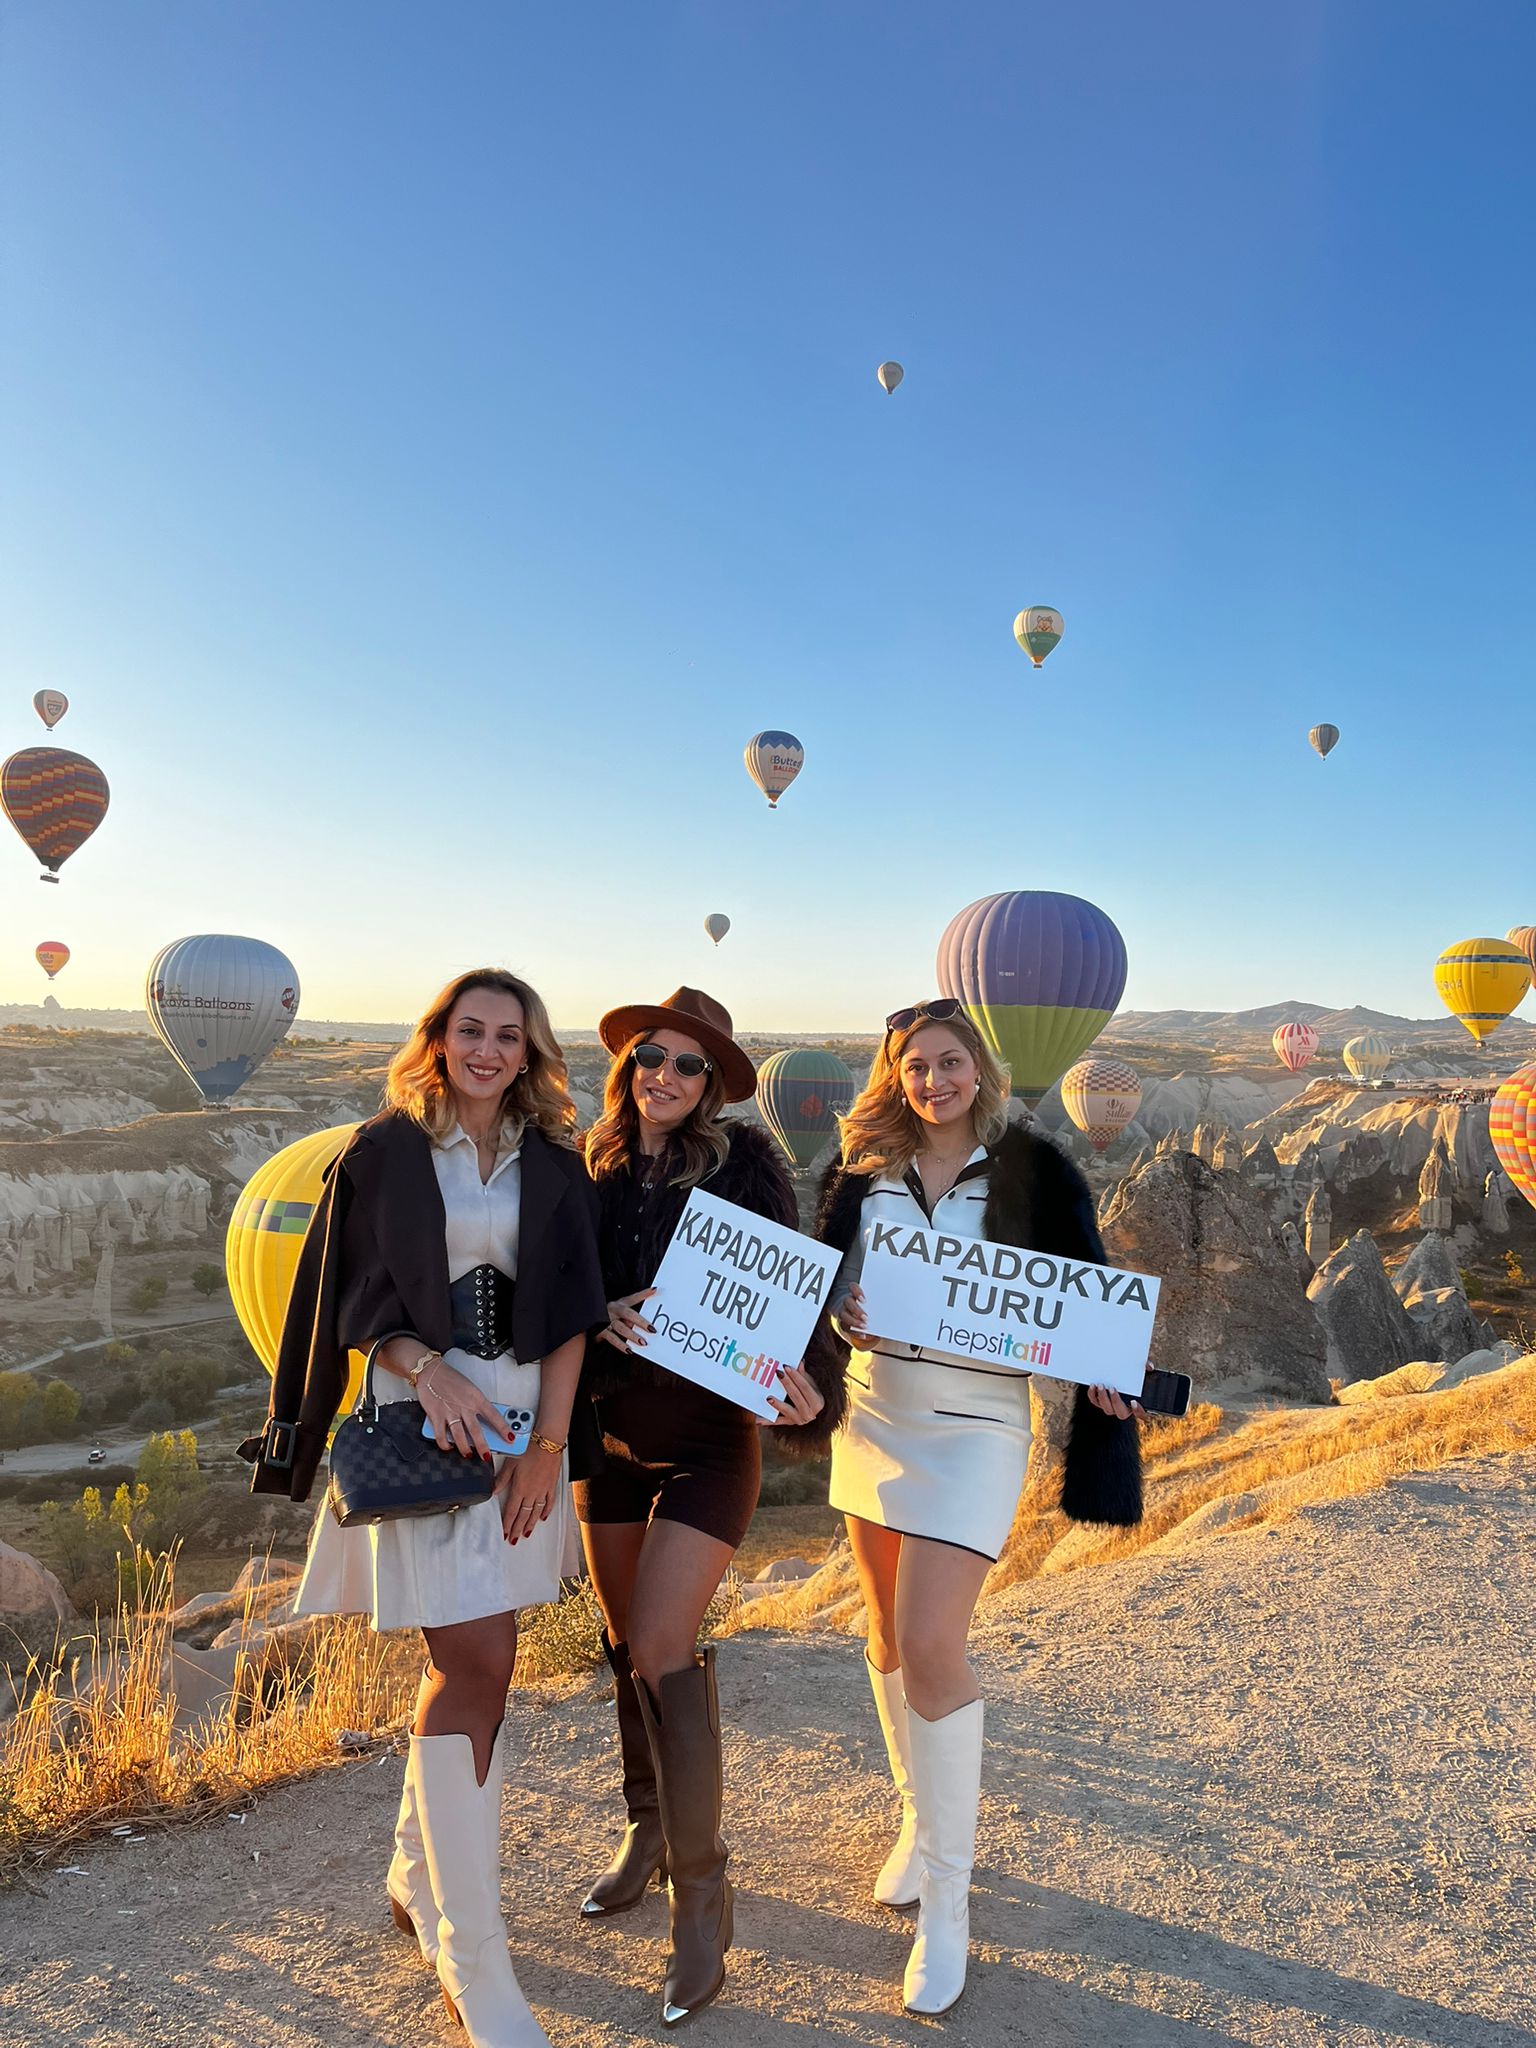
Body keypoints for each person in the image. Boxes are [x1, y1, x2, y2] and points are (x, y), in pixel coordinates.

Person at [240, 969, 609, 2048]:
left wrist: (551, 1445)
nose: (487, 1049)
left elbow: (578, 1311)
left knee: (480, 1663)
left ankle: (414, 1869)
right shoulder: (384, 1148)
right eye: (469, 1030)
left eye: (508, 1034)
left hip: (524, 1422)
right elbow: (351, 1290)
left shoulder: (554, 1162)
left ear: (532, 1050)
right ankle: (473, 1954)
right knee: (476, 1665)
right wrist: (425, 1364)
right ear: (437, 1039)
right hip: (426, 1417)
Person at [813, 999, 1143, 2017]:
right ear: (895, 1073)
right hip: (873, 1416)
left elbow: (1082, 1285)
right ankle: (918, 1819)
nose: (934, 1079)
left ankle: (947, 1906)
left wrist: (1100, 1369)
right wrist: (839, 1309)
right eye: (916, 1064)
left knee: (932, 1640)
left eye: (950, 1061)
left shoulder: (1034, 1167)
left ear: (979, 1069)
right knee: (881, 1631)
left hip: (976, 1425)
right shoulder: (861, 1169)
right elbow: (825, 1281)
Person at [573, 987, 845, 2028]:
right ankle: (647, 1828)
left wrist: (812, 1376)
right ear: (628, 1063)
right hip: (610, 1434)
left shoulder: (744, 1167)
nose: (667, 1077)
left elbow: (793, 1294)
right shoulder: (585, 1164)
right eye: (653, 1056)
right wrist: (599, 1312)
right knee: (617, 1639)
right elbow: (553, 1292)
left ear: (715, 1085)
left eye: (690, 1066)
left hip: (706, 1443)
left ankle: (703, 1894)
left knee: (661, 1645)